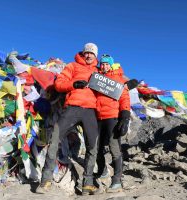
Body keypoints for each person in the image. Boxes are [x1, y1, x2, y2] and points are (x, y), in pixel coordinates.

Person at [38, 43, 100, 195]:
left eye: (92, 53)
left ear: (95, 56)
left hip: (91, 111)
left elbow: (113, 86)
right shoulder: (72, 66)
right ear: (83, 53)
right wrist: (74, 84)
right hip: (73, 107)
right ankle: (46, 180)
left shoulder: (98, 72)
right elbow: (59, 84)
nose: (89, 55)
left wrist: (127, 85)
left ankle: (87, 183)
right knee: (54, 138)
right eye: (87, 52)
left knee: (93, 145)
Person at [95, 54, 131, 193]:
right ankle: (103, 171)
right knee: (96, 146)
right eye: (102, 64)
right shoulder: (97, 78)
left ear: (111, 65)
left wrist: (125, 116)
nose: (104, 66)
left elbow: (124, 98)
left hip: (112, 117)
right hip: (98, 117)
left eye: (106, 64)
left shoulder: (118, 79)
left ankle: (116, 180)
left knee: (114, 147)